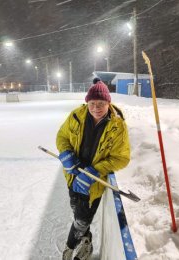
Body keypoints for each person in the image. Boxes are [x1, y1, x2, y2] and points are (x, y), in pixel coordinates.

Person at [56, 78, 130, 260]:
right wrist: (65, 154)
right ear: (87, 102)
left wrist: (94, 172)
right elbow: (62, 136)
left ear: (108, 103)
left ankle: (70, 247)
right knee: (77, 211)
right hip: (72, 177)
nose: (96, 108)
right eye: (92, 103)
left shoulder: (118, 126)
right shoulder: (76, 116)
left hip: (93, 185)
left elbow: (122, 158)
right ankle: (87, 240)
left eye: (101, 104)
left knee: (81, 221)